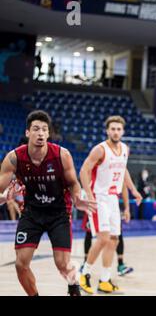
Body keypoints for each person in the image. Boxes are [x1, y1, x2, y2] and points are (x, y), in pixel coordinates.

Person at [0, 110, 96, 296]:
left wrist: (77, 198)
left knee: (62, 264)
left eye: (45, 129)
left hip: (58, 212)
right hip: (31, 212)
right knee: (21, 264)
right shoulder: (14, 158)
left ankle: (73, 281)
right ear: (28, 133)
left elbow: (73, 183)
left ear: (49, 133)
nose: (41, 133)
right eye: (36, 129)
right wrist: (3, 197)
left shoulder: (62, 155)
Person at [79, 116, 142, 294]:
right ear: (107, 130)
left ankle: (105, 280)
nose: (115, 131)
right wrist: (89, 195)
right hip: (98, 197)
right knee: (103, 238)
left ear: (123, 131)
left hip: (113, 198)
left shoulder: (125, 149)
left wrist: (134, 190)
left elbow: (124, 171)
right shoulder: (100, 149)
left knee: (114, 239)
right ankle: (84, 275)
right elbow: (84, 170)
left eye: (118, 129)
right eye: (112, 129)